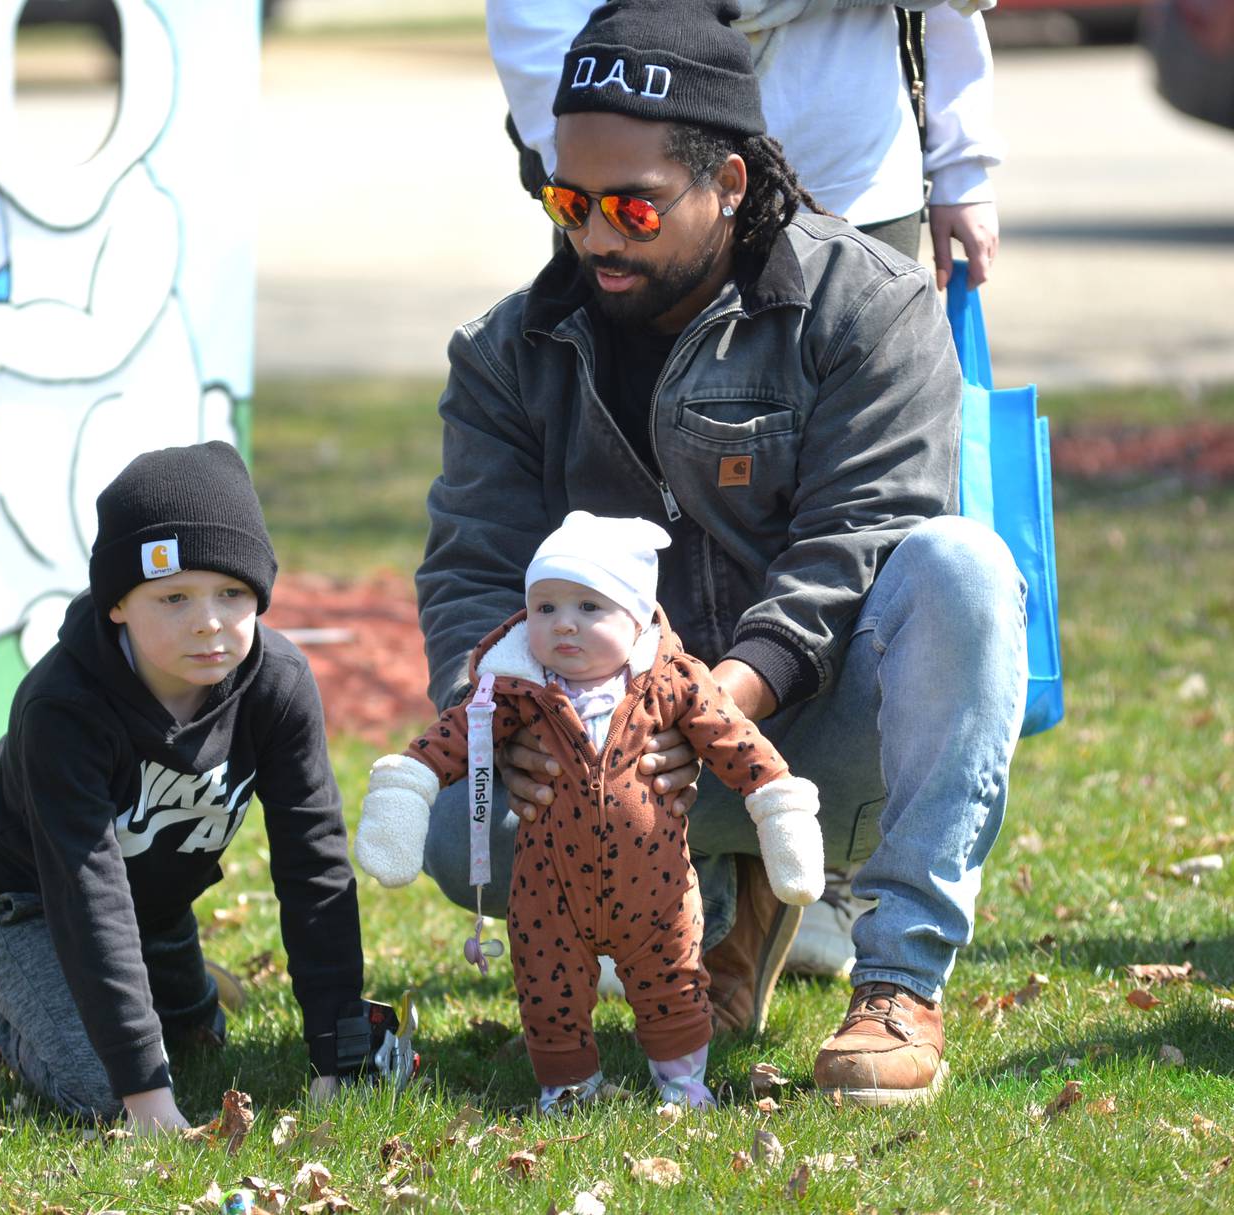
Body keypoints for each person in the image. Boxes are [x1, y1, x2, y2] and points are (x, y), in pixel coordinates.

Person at [417, 0, 1027, 1106]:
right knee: (446, 821)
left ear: (731, 184)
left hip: (815, 737)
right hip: (608, 763)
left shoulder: (868, 306)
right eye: (568, 200)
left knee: (962, 568)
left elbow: (857, 540)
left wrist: (704, 708)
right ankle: (696, 941)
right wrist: (488, 719)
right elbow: (468, 570)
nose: (595, 235)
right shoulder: (508, 353)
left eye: (633, 208)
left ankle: (896, 983)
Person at [0, 441, 365, 1130]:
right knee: (102, 1089)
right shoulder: (63, 704)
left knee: (194, 1041)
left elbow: (315, 866)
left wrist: (340, 1055)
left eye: (232, 592)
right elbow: (86, 890)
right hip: (20, 896)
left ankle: (162, 992)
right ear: (118, 602)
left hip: (151, 898)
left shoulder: (279, 687)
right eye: (174, 596)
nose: (208, 620)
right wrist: (146, 1097)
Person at [355, 511, 822, 1111]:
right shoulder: (513, 690)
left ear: (635, 617)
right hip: (549, 894)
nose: (563, 625)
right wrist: (405, 788)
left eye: (588, 608)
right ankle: (567, 1086)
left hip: (655, 888)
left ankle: (682, 1083)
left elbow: (739, 745)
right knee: (548, 991)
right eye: (545, 608)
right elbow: (444, 743)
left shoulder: (675, 683)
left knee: (673, 983)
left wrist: (778, 808)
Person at [486, 0, 1002, 283]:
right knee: (635, 444)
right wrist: (585, 172)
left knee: (865, 437)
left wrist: (962, 163)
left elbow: (948, 10)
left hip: (857, 186)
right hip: (639, 201)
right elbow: (534, 17)